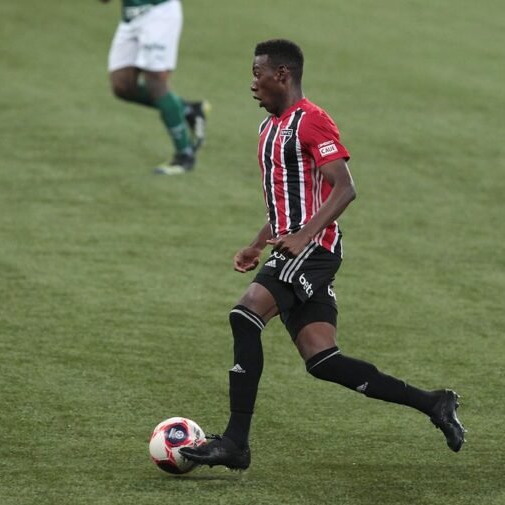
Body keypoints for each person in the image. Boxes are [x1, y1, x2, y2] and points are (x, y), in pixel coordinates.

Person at [179, 39, 465, 470]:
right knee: (323, 360)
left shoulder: (311, 121)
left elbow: (345, 186)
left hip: (315, 249)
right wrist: (259, 242)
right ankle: (434, 402)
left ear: (282, 75)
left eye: (258, 73)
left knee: (245, 315)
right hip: (294, 247)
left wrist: (304, 235)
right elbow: (289, 201)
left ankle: (236, 442)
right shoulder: (268, 129)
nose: (252, 82)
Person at [101, 0, 209, 175]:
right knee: (122, 86)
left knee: (155, 81)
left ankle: (184, 155)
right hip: (131, 16)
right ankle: (188, 110)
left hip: (158, 12)